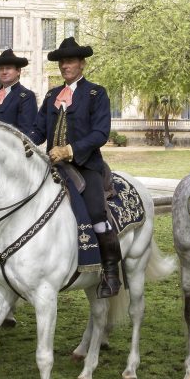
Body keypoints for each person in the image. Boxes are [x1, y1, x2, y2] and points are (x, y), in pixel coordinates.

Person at [29, 37, 118, 298]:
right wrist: (23, 143)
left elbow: (101, 132)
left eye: (70, 61)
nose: (65, 66)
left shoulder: (96, 93)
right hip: (50, 166)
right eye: (62, 62)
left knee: (96, 213)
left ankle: (111, 272)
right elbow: (38, 129)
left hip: (84, 166)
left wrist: (70, 150)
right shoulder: (52, 95)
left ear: (82, 63)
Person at [0, 48, 37, 138]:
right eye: (1, 69)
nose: (4, 72)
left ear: (18, 71)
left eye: (8, 68)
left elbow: (25, 131)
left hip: (9, 148)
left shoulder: (26, 96)